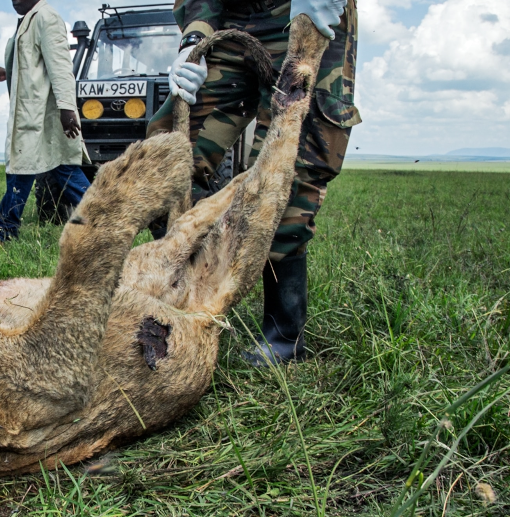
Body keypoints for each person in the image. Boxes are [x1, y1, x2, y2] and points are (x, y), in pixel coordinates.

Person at [147, 0, 360, 366]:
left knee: (288, 166)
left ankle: (284, 335)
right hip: (233, 16)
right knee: (167, 155)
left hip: (302, 9)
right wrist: (192, 43)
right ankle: (195, 297)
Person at [0, 0, 90, 247]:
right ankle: (106, 219)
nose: (15, 0)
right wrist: (10, 70)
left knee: (31, 169)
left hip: (43, 116)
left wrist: (67, 108)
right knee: (51, 169)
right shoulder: (30, 19)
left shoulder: (46, 17)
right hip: (33, 115)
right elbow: (35, 64)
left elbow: (60, 67)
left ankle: (5, 232)